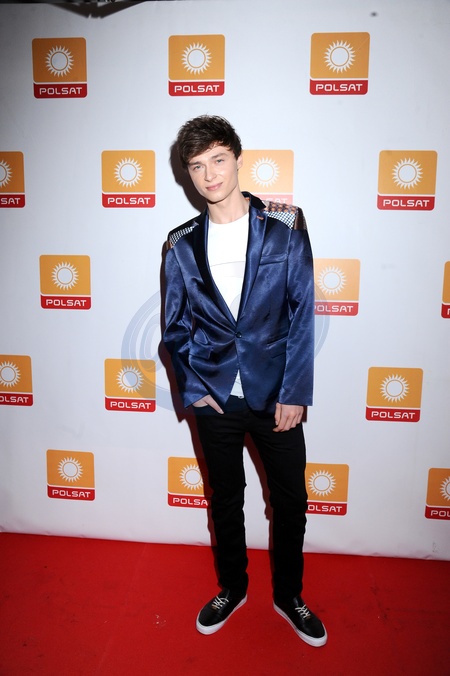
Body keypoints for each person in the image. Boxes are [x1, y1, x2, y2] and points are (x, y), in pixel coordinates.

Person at [163, 115, 326, 647]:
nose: (209, 174)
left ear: (236, 158)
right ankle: (232, 588)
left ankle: (289, 595)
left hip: (276, 397)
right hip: (216, 400)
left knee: (291, 501)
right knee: (225, 499)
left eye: (217, 159)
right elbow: (174, 328)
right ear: (188, 175)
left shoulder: (286, 223)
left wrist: (295, 391)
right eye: (196, 166)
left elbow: (302, 313)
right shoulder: (180, 243)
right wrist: (195, 389)